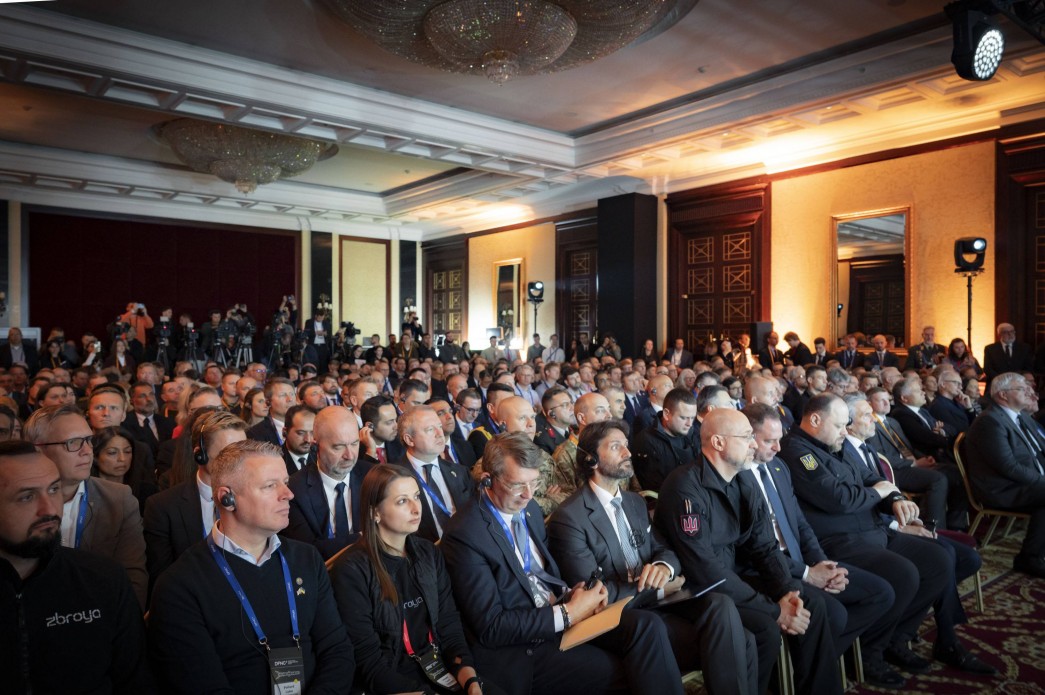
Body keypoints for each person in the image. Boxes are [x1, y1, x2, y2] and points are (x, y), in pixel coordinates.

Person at [440, 432, 686, 695]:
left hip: (561, 616)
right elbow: (492, 626)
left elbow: (543, 575)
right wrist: (567, 613)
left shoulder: (529, 509)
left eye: (534, 483)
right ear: (488, 479)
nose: (528, 495)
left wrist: (574, 595)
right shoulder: (465, 534)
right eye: (517, 485)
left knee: (646, 626)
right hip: (522, 647)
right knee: (624, 671)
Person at [778, 394, 990, 684]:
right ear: (815, 420)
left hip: (873, 530)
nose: (845, 431)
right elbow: (838, 499)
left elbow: (871, 477)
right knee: (905, 574)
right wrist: (879, 492)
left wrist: (895, 498)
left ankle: (897, 637)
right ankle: (869, 653)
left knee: (939, 560)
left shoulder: (835, 443)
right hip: (840, 540)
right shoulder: (797, 450)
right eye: (839, 425)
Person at [547, 420, 759, 695]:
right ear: (591, 459)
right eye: (616, 446)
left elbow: (665, 549)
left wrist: (663, 568)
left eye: (626, 445)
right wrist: (655, 589)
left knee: (721, 604)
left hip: (657, 603)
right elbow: (592, 595)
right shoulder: (569, 517)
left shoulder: (635, 502)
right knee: (741, 641)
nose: (628, 452)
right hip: (621, 616)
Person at [654, 409, 842, 695]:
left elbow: (764, 545)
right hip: (695, 591)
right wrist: (774, 610)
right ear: (718, 442)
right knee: (765, 628)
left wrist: (787, 592)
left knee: (808, 603)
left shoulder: (745, 479)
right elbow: (704, 568)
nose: (754, 444)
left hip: (729, 578)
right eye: (746, 437)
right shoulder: (684, 487)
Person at [148, 440, 355, 693]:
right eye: (270, 486)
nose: (288, 494)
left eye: (285, 482)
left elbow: (337, 651)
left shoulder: (306, 559)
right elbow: (203, 687)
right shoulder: (179, 586)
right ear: (227, 498)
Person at [741, 404, 893, 662]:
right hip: (766, 568)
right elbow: (756, 548)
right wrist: (808, 573)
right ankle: (812, 667)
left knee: (880, 593)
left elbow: (800, 524)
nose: (778, 447)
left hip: (800, 557)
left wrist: (821, 562)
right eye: (769, 441)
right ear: (748, 438)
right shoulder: (741, 476)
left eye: (778, 439)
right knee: (833, 614)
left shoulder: (778, 467)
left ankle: (820, 661)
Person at [0, 441, 154, 694]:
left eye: (54, 490)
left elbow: (137, 682)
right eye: (27, 497)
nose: (49, 509)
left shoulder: (104, 580)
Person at [330, 464, 494, 694]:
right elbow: (369, 663)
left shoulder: (429, 553)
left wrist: (470, 680)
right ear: (375, 512)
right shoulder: (351, 570)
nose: (416, 508)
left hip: (439, 666)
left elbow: (448, 626)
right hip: (394, 682)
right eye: (402, 501)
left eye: (417, 496)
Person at [25, 404, 149, 610]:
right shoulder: (13, 503)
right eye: (73, 443)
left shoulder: (119, 499)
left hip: (100, 615)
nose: (87, 451)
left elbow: (133, 577)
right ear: (38, 449)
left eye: (88, 440)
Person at [143, 408, 247, 593]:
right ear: (200, 454)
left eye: (242, 452)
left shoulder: (259, 498)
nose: (238, 461)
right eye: (227, 453)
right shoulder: (162, 507)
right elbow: (163, 579)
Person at [964, 372, 1045, 578]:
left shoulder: (1022, 415)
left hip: (1026, 482)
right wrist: (1042, 480)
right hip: (1002, 488)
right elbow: (1009, 467)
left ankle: (1033, 554)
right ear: (1003, 394)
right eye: (1021, 388)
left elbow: (1041, 449)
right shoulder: (989, 421)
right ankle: (1029, 558)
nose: (1029, 391)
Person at [285, 405, 372, 560]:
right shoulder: (294, 490)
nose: (350, 455)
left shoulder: (372, 475)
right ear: (315, 447)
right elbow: (308, 552)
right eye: (338, 447)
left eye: (354, 444)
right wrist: (365, 537)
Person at [394, 405, 475, 542]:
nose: (440, 433)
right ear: (409, 439)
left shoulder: (460, 472)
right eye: (430, 429)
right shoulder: (394, 478)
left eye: (439, 426)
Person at [92, 426, 158, 515]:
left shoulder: (147, 492)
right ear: (95, 457)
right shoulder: (83, 491)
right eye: (112, 453)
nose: (122, 459)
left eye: (127, 452)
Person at [246, 377, 296, 446]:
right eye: (283, 395)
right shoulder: (256, 433)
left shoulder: (307, 425)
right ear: (268, 401)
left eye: (292, 394)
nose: (290, 399)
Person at [282, 404, 316, 476]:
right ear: (285, 432)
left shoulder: (322, 458)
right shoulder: (275, 460)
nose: (308, 439)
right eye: (301, 433)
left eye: (312, 433)